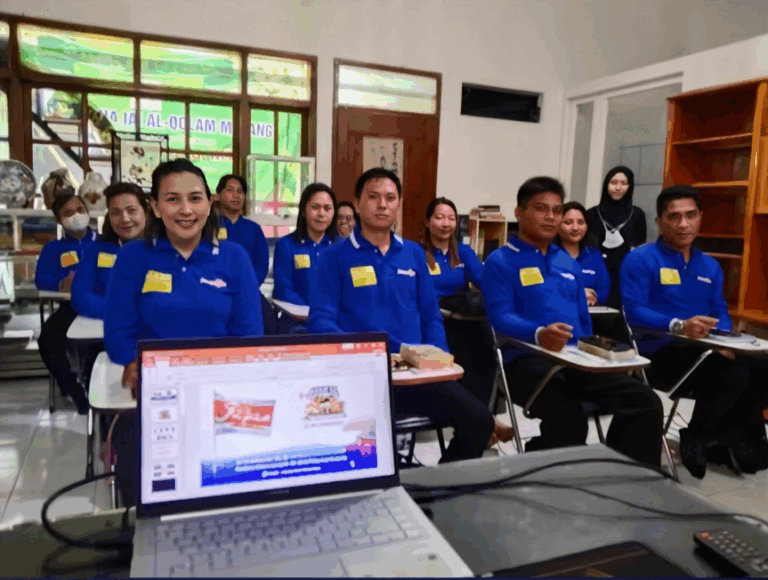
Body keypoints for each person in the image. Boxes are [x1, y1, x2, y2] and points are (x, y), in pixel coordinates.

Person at [307, 168, 495, 463]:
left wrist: (437, 357)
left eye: (390, 198)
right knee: (369, 456)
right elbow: (320, 321)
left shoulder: (413, 253)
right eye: (373, 197)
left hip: (415, 375)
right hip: (364, 378)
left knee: (480, 422)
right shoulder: (335, 256)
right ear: (357, 203)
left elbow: (431, 315)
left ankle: (434, 492)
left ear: (399, 205)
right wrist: (367, 354)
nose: (382, 204)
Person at [104, 159, 264, 505]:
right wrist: (136, 364)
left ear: (210, 203)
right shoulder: (133, 257)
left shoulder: (234, 257)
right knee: (143, 473)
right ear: (156, 208)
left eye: (195, 198)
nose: (186, 210)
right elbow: (118, 329)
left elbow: (250, 332)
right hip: (156, 392)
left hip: (222, 391)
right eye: (172, 199)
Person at [483, 176, 663, 467]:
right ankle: (536, 464)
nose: (550, 217)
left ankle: (627, 473)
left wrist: (595, 354)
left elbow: (583, 320)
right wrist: (539, 333)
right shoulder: (501, 260)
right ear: (519, 213)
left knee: (645, 401)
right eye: (541, 208)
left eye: (556, 210)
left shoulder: (568, 263)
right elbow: (500, 317)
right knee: (571, 420)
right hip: (526, 361)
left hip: (577, 361)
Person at [621, 184, 768, 478]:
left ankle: (733, 435)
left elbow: (720, 311)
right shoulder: (640, 259)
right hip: (659, 353)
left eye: (691, 215)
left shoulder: (710, 266)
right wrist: (678, 325)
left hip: (704, 349)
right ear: (659, 221)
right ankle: (698, 435)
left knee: (761, 364)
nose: (684, 224)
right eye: (674, 216)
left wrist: (721, 335)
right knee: (732, 371)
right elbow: (634, 310)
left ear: (701, 216)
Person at [420, 197, 497, 411]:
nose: (446, 223)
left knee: (485, 348)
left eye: (451, 218)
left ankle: (480, 410)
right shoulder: (417, 253)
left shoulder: (464, 252)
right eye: (439, 217)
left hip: (464, 316)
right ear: (427, 222)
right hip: (434, 318)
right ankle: (457, 407)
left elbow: (484, 280)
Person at [35, 193, 99, 414]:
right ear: (58, 220)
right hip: (70, 308)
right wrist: (60, 283)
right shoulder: (53, 248)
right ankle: (73, 390)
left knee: (98, 343)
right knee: (47, 341)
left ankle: (97, 390)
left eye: (80, 209)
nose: (76, 215)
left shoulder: (104, 242)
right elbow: (41, 280)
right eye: (68, 213)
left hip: (101, 308)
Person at [71, 182, 150, 320]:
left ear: (146, 212)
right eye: (116, 212)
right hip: (102, 328)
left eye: (131, 210)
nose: (125, 219)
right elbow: (80, 296)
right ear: (109, 216)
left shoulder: (167, 249)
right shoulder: (96, 250)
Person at [587, 166, 647, 308]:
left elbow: (638, 249)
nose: (618, 187)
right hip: (596, 276)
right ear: (606, 184)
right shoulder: (591, 214)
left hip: (625, 277)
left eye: (623, 183)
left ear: (630, 187)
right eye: (613, 182)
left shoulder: (637, 215)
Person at [273, 183, 338, 306]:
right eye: (315, 207)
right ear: (303, 210)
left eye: (327, 208)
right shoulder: (286, 245)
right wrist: (312, 313)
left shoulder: (342, 246)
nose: (321, 213)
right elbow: (283, 290)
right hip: (297, 319)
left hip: (334, 321)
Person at [215, 174, 269, 286]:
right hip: (214, 291)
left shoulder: (254, 229)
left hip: (248, 289)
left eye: (240, 191)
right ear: (219, 195)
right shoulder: (209, 226)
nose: (236, 195)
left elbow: (261, 265)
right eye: (230, 190)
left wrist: (250, 288)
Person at [556, 201, 610, 306]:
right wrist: (580, 294)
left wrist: (593, 295)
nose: (575, 228)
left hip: (591, 315)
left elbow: (604, 292)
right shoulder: (548, 254)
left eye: (581, 222)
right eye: (568, 222)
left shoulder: (595, 255)